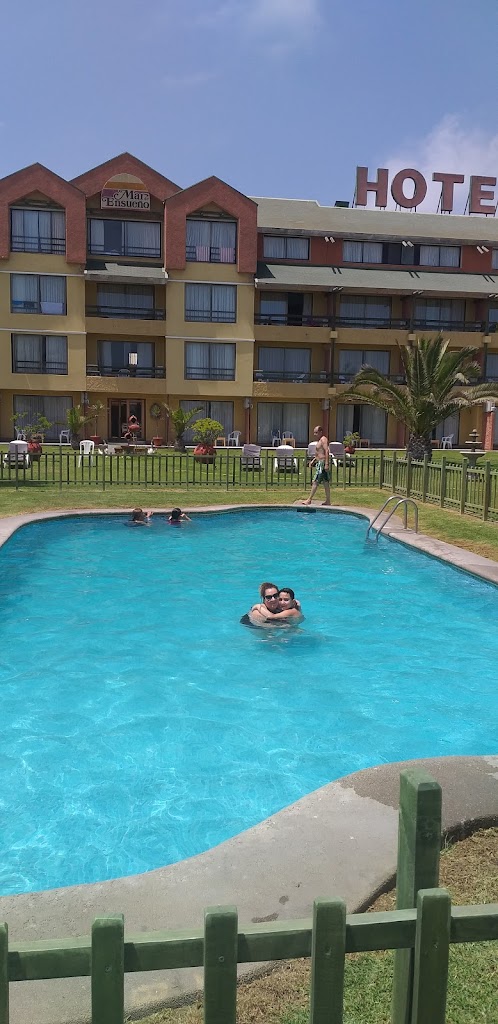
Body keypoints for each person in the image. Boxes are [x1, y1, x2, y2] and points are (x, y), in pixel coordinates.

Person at [302, 425, 331, 506]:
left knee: (315, 481)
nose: (315, 434)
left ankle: (309, 500)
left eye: (316, 432)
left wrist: (326, 464)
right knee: (325, 482)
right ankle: (328, 501)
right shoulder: (320, 440)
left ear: (321, 432)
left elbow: (326, 451)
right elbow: (319, 453)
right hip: (320, 462)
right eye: (314, 432)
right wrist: (313, 461)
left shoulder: (323, 439)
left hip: (322, 463)